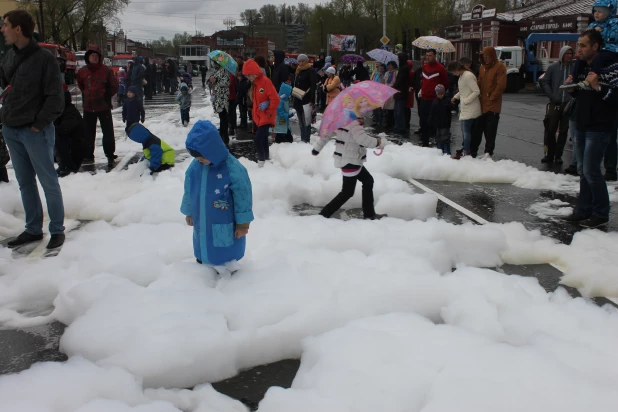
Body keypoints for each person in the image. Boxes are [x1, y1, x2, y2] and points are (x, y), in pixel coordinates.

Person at [0, 9, 65, 249]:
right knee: (25, 182)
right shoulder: (8, 56)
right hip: (11, 128)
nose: (2, 29)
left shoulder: (44, 58)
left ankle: (57, 229)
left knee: (48, 181)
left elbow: (55, 98)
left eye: (5, 25)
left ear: (18, 29)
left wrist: (38, 124)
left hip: (35, 130)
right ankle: (33, 229)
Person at [180, 120, 254, 273]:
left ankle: (228, 271)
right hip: (203, 218)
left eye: (202, 158)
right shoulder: (196, 167)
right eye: (197, 158)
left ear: (211, 151)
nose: (199, 161)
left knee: (224, 250)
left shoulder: (232, 169)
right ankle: (204, 265)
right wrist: (189, 211)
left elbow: (243, 196)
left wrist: (243, 223)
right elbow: (189, 189)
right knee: (203, 242)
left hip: (224, 220)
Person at [563, 29, 618, 228]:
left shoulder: (610, 66)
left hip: (600, 126)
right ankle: (583, 209)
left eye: (583, 45)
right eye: (579, 45)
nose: (579, 49)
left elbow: (614, 97)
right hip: (582, 123)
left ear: (595, 46)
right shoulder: (581, 67)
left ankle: (601, 212)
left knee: (591, 170)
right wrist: (572, 90)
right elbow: (584, 97)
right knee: (582, 170)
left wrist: (598, 87)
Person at [312, 117, 383, 220]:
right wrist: (378, 141)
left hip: (349, 159)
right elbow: (363, 140)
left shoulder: (340, 119)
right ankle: (323, 215)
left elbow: (326, 135)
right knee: (347, 192)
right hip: (351, 161)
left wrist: (316, 149)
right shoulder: (354, 122)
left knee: (368, 181)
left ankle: (369, 214)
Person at [77, 44, 119, 166]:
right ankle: (88, 154)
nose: (94, 58)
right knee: (88, 133)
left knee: (108, 132)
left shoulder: (106, 70)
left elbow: (114, 86)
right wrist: (87, 95)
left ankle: (110, 153)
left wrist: (106, 96)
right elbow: (81, 85)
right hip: (88, 107)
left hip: (103, 106)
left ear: (99, 57)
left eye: (96, 56)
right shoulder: (82, 71)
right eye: (92, 55)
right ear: (88, 57)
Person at [566, 1, 618, 89]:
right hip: (600, 49)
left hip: (610, 49)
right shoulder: (593, 24)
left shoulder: (614, 22)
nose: (596, 14)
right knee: (579, 60)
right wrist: (590, 31)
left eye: (600, 11)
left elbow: (614, 36)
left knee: (599, 59)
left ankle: (591, 78)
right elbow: (587, 37)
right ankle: (573, 79)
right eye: (595, 11)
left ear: (608, 12)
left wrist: (601, 31)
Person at [539, 46, 575, 165]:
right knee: (550, 129)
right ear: (562, 55)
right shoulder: (553, 68)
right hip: (555, 104)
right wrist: (552, 95)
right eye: (567, 54)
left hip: (568, 105)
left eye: (571, 53)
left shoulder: (574, 68)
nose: (569, 56)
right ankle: (550, 154)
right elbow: (545, 82)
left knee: (563, 132)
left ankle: (558, 156)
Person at [242, 59, 279, 167]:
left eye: (249, 75)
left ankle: (261, 162)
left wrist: (268, 110)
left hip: (266, 116)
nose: (248, 78)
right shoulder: (254, 84)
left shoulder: (265, 81)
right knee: (262, 140)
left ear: (254, 73)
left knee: (258, 140)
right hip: (259, 117)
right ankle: (266, 161)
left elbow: (275, 99)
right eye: (246, 76)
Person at [472, 46, 506, 158]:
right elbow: (480, 81)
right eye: (483, 57)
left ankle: (488, 152)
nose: (485, 59)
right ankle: (473, 152)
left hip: (492, 106)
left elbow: (501, 85)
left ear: (492, 56)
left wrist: (492, 97)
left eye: (487, 56)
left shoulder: (500, 67)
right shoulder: (482, 67)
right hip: (481, 104)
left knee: (490, 132)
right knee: (477, 130)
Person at [448, 60, 481, 158]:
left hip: (470, 109)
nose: (453, 74)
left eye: (453, 72)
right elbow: (464, 90)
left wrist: (466, 101)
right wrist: (456, 97)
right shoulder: (462, 76)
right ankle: (465, 150)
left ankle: (466, 152)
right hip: (465, 108)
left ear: (457, 69)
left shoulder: (468, 76)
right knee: (464, 131)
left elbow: (476, 91)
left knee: (466, 132)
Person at [419, 49, 449, 147]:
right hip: (424, 98)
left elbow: (445, 83)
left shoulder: (441, 68)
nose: (428, 57)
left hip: (434, 100)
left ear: (435, 56)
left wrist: (440, 96)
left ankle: (436, 141)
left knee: (434, 122)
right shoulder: (424, 67)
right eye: (426, 55)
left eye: (430, 55)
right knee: (423, 121)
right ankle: (425, 142)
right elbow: (423, 80)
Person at [54, 91, 86, 177]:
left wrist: (54, 128)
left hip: (76, 148)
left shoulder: (69, 112)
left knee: (57, 137)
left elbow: (65, 128)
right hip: (75, 146)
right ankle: (63, 165)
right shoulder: (64, 110)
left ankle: (67, 166)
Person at [293, 54, 317, 143]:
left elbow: (313, 86)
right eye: (299, 61)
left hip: (306, 99)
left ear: (307, 61)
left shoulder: (310, 71)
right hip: (298, 98)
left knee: (306, 120)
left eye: (303, 61)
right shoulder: (298, 71)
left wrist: (312, 99)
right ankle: (302, 138)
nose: (301, 63)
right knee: (300, 121)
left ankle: (306, 139)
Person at [209, 63, 231, 145]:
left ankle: (225, 136)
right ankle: (222, 134)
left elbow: (226, 83)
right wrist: (211, 80)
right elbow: (211, 84)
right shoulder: (215, 71)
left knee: (224, 116)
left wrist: (216, 80)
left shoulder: (225, 70)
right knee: (221, 116)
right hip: (217, 98)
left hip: (223, 98)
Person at [428, 85, 453, 155]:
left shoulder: (447, 101)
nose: (440, 95)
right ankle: (439, 152)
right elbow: (432, 112)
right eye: (439, 94)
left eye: (441, 94)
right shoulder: (435, 101)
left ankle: (447, 153)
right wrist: (430, 120)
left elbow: (450, 109)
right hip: (437, 124)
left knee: (445, 139)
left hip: (445, 124)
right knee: (438, 139)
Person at [392, 53, 410, 133]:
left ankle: (401, 127)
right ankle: (397, 126)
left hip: (400, 92)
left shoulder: (404, 68)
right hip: (399, 91)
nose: (398, 60)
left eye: (399, 58)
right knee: (397, 111)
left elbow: (400, 80)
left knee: (399, 111)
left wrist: (394, 86)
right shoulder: (403, 68)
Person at [384, 61, 398, 128]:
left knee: (392, 108)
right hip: (387, 92)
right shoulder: (387, 73)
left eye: (390, 65)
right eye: (388, 65)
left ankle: (392, 123)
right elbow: (384, 81)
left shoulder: (396, 73)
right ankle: (388, 122)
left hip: (392, 92)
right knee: (387, 109)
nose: (389, 66)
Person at [405, 60, 416, 131]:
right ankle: (406, 123)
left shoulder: (410, 73)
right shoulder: (411, 72)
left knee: (406, 108)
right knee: (407, 108)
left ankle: (406, 123)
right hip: (409, 91)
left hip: (408, 91)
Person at [228, 70, 237, 136]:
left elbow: (229, 84)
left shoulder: (231, 75)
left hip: (230, 96)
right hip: (231, 96)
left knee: (231, 113)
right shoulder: (232, 74)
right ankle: (232, 126)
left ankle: (232, 127)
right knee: (232, 112)